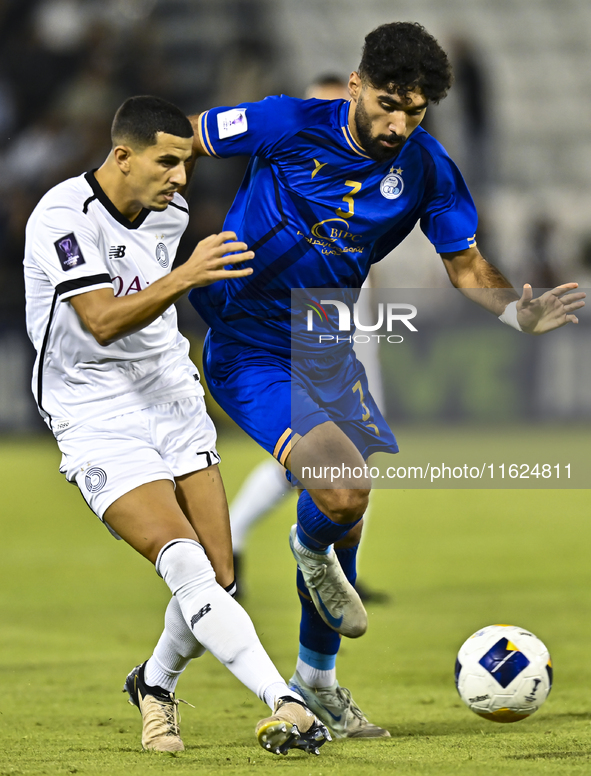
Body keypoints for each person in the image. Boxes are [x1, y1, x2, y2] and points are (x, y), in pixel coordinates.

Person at [187, 21, 585, 740]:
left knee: (349, 508)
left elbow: (465, 265)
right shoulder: (285, 122)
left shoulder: (427, 167)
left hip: (322, 335)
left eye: (416, 111)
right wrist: (136, 227)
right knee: (341, 491)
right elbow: (182, 139)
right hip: (246, 340)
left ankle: (317, 684)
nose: (399, 124)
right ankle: (306, 552)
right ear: (355, 87)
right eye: (388, 105)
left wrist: (512, 314)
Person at [23, 95, 330, 757]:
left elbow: (163, 303)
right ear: (122, 156)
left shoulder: (172, 212)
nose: (181, 178)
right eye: (167, 161)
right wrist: (186, 275)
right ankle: (286, 700)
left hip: (170, 396)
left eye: (186, 163)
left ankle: (154, 685)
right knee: (185, 564)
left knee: (217, 578)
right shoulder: (60, 217)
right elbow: (100, 321)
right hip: (93, 409)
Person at [228, 74, 388, 606]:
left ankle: (335, 563)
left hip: (342, 312)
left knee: (343, 450)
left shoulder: (365, 171)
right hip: (293, 317)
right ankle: (245, 536)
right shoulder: (281, 168)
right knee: (320, 452)